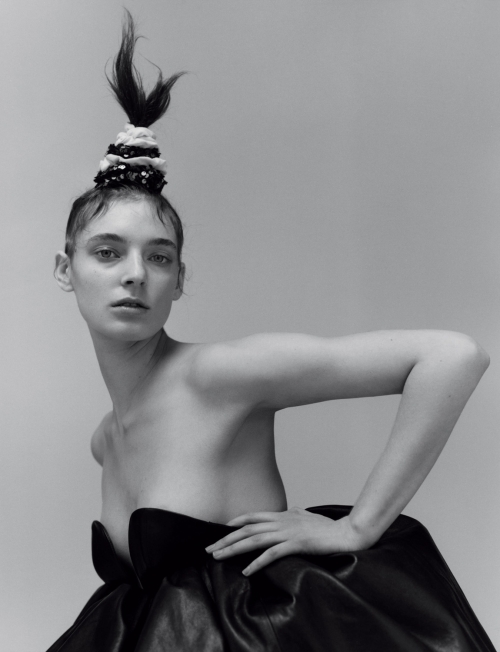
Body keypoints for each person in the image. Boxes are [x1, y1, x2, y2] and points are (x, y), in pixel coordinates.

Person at [48, 12, 496, 652]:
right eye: (107, 252)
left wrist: (359, 527)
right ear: (66, 270)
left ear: (179, 280)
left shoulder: (219, 376)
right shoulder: (104, 441)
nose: (136, 274)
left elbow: (452, 355)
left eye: (160, 257)